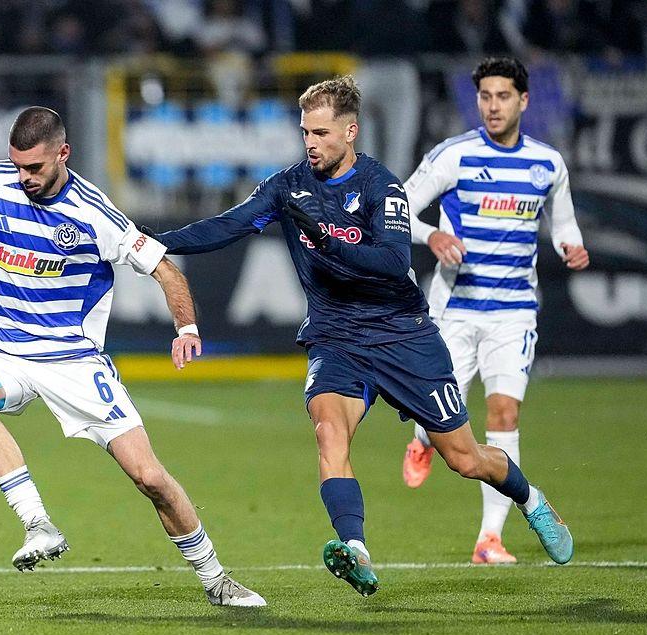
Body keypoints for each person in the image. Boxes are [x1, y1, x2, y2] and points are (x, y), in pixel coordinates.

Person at [147, 76, 573, 597]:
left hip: (402, 334)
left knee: (464, 458)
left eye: (321, 133)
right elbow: (226, 226)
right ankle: (356, 549)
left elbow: (393, 261)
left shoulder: (380, 187)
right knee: (329, 431)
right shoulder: (288, 186)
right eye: (305, 132)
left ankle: (532, 501)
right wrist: (150, 242)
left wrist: (328, 241)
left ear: (350, 132)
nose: (310, 143)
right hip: (336, 337)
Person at [0, 107, 265, 608]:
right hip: (0, 350)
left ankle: (216, 579)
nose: (24, 177)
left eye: (34, 167)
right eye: (17, 166)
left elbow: (165, 270)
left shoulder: (94, 212)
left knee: (149, 478)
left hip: (72, 361)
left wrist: (186, 327)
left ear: (63, 154)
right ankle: (38, 524)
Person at [401, 56, 589, 564]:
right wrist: (433, 235)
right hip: (454, 310)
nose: (492, 106)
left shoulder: (547, 164)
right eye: (485, 96)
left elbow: (564, 223)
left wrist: (571, 245)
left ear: (523, 100)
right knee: (441, 417)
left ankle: (489, 538)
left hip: (514, 312)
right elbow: (398, 209)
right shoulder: (454, 156)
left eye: (503, 96)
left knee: (503, 414)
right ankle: (422, 439)